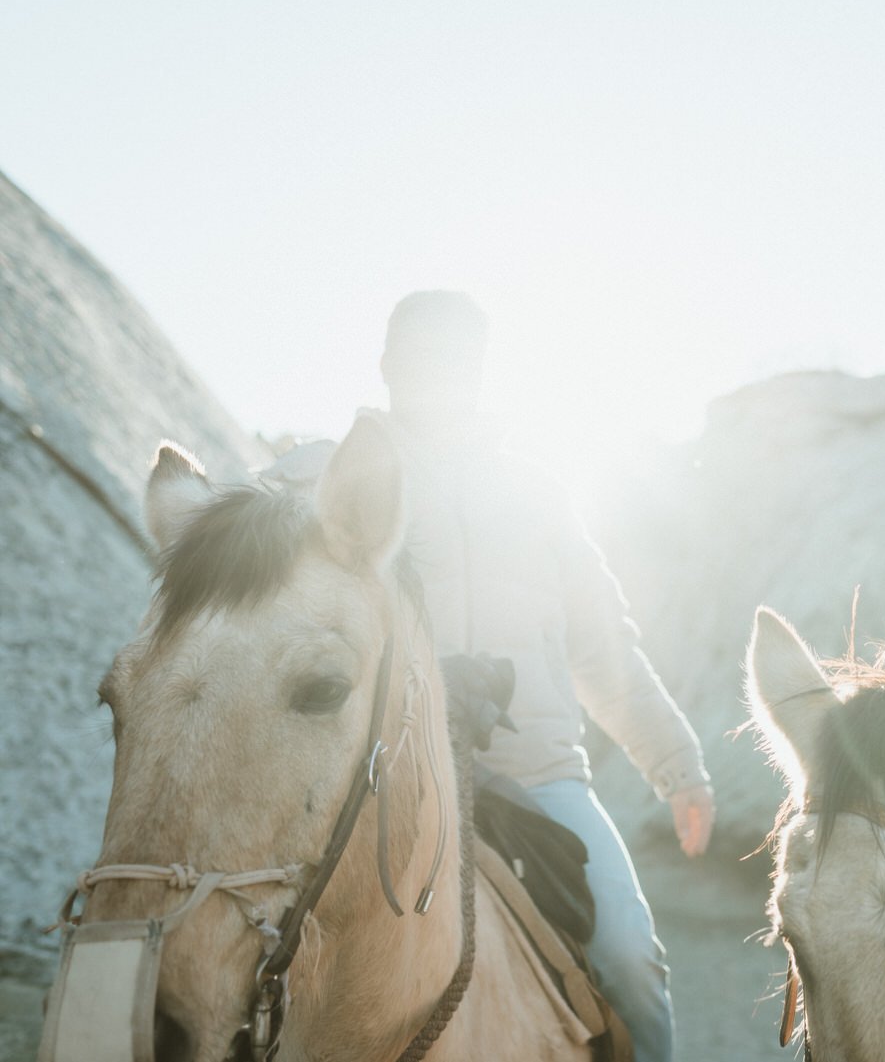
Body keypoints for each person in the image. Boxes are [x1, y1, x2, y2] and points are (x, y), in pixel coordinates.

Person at [276, 291, 713, 1062]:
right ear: (386, 365)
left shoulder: (540, 495)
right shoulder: (325, 475)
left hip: (538, 775)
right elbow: (240, 562)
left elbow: (604, 650)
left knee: (631, 962)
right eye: (420, 354)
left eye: (455, 357)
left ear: (479, 369)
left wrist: (679, 768)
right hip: (378, 783)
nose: (438, 372)